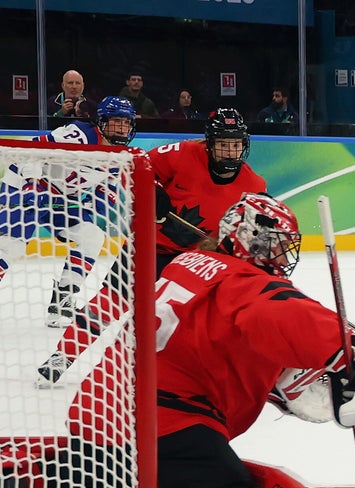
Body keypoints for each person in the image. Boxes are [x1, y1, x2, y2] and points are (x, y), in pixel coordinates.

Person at [69, 193, 355, 488]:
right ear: (243, 238)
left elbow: (233, 340)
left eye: (286, 245)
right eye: (272, 243)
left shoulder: (191, 263)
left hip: (100, 410)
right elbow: (282, 311)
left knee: (113, 484)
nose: (281, 254)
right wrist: (343, 348)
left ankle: (55, 487)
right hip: (158, 421)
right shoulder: (241, 281)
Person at [36, 108, 268, 385]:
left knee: (203, 323)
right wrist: (152, 189)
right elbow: (135, 164)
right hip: (149, 247)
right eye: (223, 145)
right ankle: (63, 355)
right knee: (108, 303)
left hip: (198, 263)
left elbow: (252, 232)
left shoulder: (254, 185)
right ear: (209, 143)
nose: (230, 153)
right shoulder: (181, 154)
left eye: (236, 145)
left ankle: (215, 376)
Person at [0, 97, 137, 332]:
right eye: (116, 121)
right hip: (22, 184)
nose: (121, 128)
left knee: (91, 237)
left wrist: (97, 204)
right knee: (12, 245)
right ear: (102, 121)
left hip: (63, 197)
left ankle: (62, 303)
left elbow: (106, 187)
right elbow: (32, 150)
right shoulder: (79, 136)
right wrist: (32, 184)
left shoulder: (120, 154)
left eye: (126, 122)